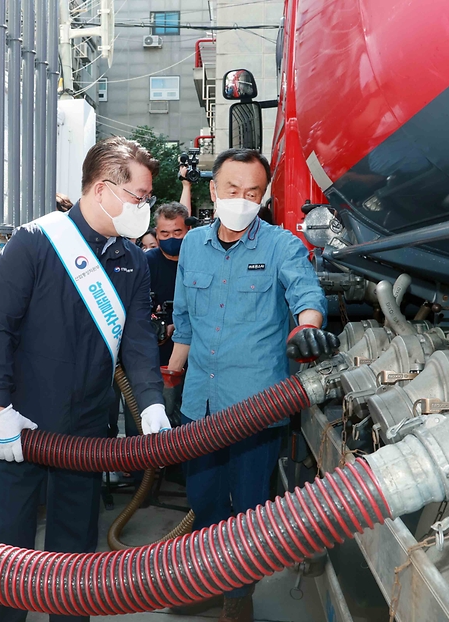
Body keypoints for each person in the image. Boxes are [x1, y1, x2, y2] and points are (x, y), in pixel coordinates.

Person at [0, 136, 172, 622]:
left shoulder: (131, 260)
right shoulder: (36, 242)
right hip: (21, 424)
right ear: (103, 189)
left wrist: (150, 402)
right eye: (139, 198)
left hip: (86, 427)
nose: (143, 209)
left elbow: (139, 338)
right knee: (8, 556)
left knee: (74, 555)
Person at [167, 148, 334, 622]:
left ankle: (238, 597)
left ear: (263, 198)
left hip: (256, 408)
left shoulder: (282, 246)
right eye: (232, 190)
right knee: (202, 502)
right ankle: (208, 584)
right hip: (199, 403)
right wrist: (169, 384)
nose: (241, 200)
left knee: (248, 511)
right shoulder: (193, 245)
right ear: (213, 190)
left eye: (253, 193)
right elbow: (183, 322)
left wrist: (308, 327)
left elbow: (307, 294)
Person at [145, 201, 190, 367]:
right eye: (165, 233)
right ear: (157, 234)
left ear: (188, 230)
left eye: (177, 232)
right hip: (157, 352)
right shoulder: (146, 263)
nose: (171, 238)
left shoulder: (200, 261)